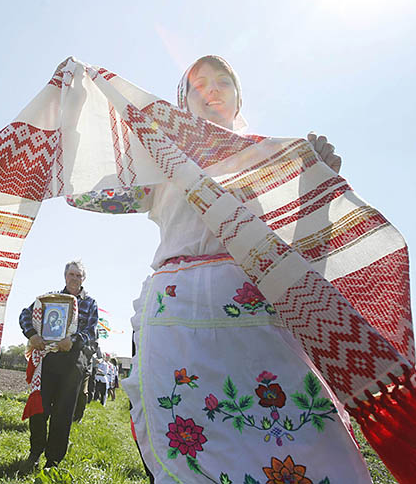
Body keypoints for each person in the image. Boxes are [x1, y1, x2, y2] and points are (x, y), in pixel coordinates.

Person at [68, 56, 372, 483]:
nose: (211, 89)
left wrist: (314, 186)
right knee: (192, 450)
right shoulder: (161, 162)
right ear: (183, 104)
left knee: (305, 444)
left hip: (260, 319)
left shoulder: (270, 163)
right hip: (178, 319)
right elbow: (84, 194)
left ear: (237, 96)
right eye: (198, 85)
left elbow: (306, 248)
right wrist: (75, 115)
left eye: (222, 81)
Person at [18, 260, 99, 469]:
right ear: (65, 276)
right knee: (39, 408)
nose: (74, 278)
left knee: (63, 413)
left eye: (78, 275)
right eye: (71, 274)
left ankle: (52, 461)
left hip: (73, 362)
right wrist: (32, 334)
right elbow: (25, 314)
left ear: (84, 279)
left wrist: (73, 340)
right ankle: (35, 452)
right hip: (49, 358)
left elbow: (92, 331)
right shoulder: (51, 299)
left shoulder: (89, 303)